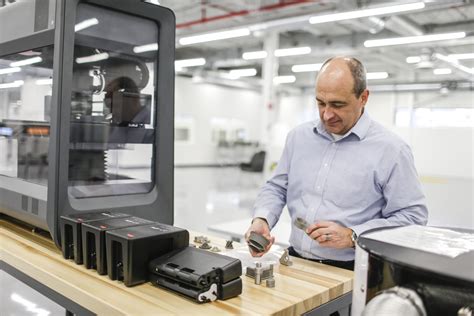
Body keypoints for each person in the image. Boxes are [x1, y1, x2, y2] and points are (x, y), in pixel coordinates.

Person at [245, 56, 428, 271]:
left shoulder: (392, 150)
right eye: (320, 103)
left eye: (338, 105)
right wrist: (262, 219)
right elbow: (276, 187)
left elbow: (412, 217)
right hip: (296, 260)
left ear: (364, 97)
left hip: (353, 269)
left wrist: (353, 235)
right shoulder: (298, 138)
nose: (327, 114)